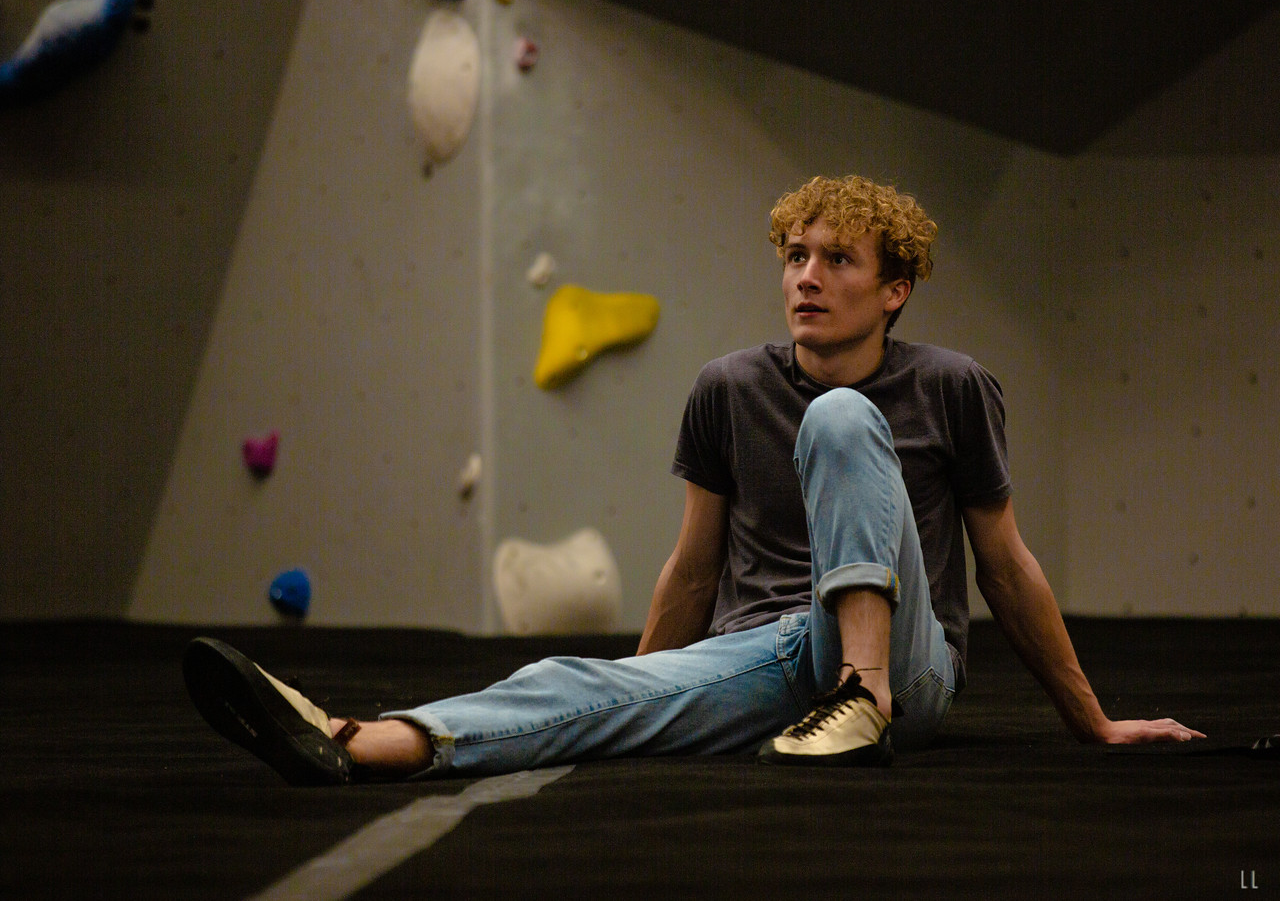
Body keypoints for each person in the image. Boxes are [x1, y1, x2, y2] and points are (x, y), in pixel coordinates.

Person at [184, 174, 1205, 785]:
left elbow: (1005, 565)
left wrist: (1092, 720)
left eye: (836, 261)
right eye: (794, 256)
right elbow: (691, 565)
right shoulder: (724, 387)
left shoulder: (950, 386)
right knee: (564, 683)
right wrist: (637, 682)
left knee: (844, 419)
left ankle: (862, 698)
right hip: (767, 653)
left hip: (909, 665)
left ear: (893, 291)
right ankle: (358, 744)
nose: (805, 276)